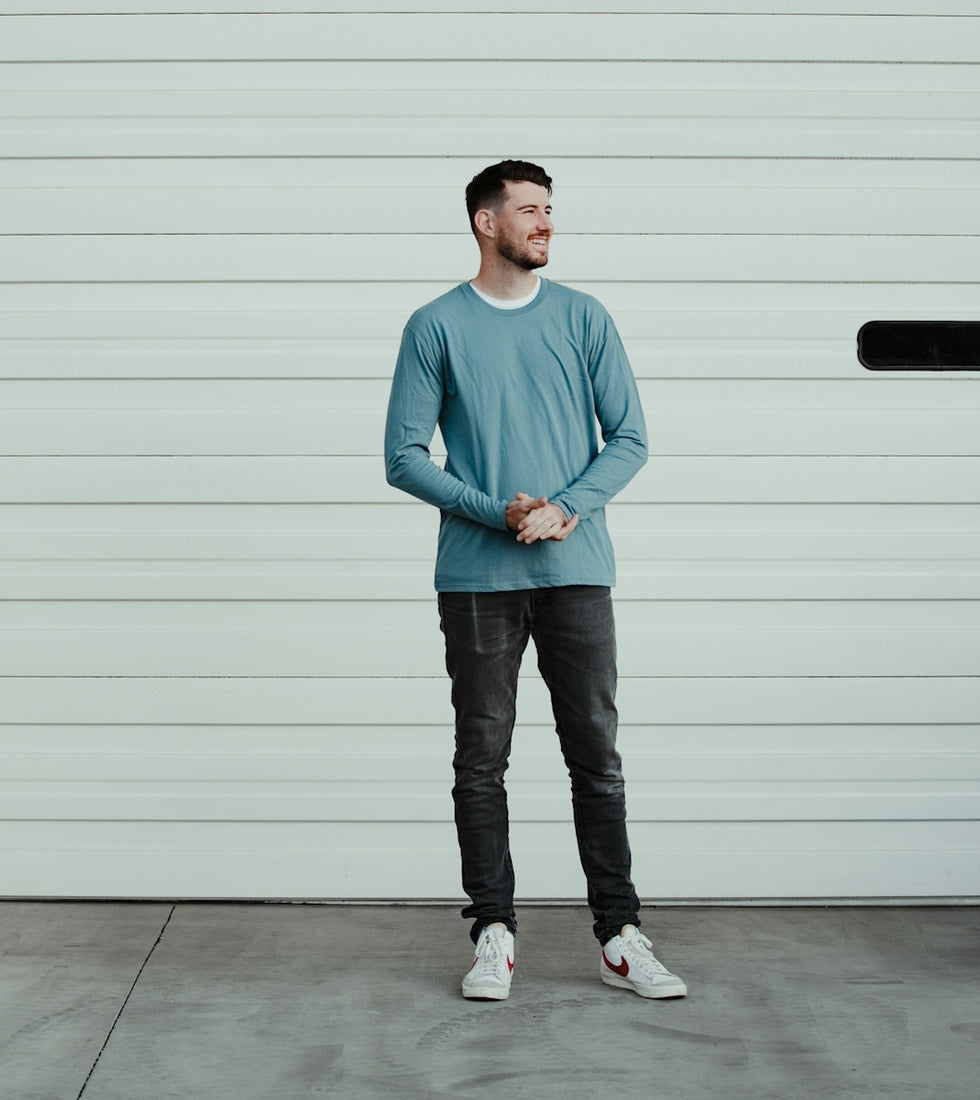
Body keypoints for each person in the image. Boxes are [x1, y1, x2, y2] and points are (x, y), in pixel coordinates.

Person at [384, 159, 686, 1002]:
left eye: (550, 210)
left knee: (597, 756)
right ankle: (493, 934)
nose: (546, 224)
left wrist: (565, 510)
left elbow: (628, 437)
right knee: (481, 758)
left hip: (576, 571)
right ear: (487, 223)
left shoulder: (585, 318)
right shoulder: (434, 325)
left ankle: (620, 937)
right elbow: (401, 457)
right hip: (477, 577)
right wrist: (498, 511)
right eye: (529, 211)